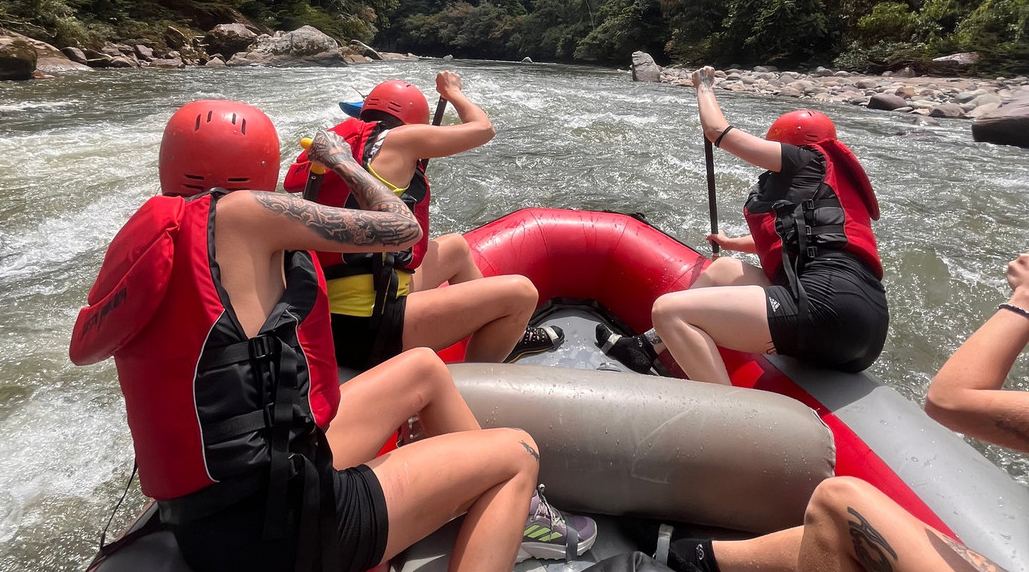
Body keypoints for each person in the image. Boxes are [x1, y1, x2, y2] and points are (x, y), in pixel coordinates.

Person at [69, 100, 595, 572]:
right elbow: (403, 228)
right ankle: (517, 512)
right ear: (260, 166)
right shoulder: (250, 214)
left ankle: (475, 495)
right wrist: (342, 158)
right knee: (517, 454)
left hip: (213, 513)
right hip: (285, 532)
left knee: (422, 368)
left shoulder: (149, 235)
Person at [665, 252, 1029, 572]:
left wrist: (1024, 296)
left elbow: (950, 400)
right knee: (856, 531)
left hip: (833, 315)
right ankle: (696, 556)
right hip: (851, 320)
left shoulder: (806, 182)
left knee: (838, 503)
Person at [597, 65, 887, 384]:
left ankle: (730, 418)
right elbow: (801, 238)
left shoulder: (807, 158)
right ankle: (645, 347)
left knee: (669, 311)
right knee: (724, 269)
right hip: (867, 326)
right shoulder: (825, 187)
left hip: (827, 307)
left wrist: (704, 86)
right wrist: (731, 242)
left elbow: (717, 131)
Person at [284, 72, 562, 369]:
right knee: (521, 293)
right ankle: (479, 381)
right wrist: (453, 92)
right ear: (414, 121)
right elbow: (483, 128)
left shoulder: (348, 145)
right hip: (368, 324)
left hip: (335, 308)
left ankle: (509, 335)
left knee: (454, 247)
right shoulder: (401, 138)